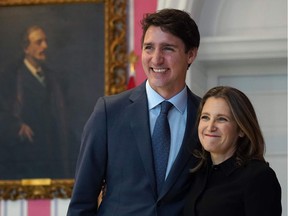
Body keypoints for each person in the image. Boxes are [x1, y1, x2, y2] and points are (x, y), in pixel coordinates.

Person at [67, 8, 201, 216]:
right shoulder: (108, 112)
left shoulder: (204, 116)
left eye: (167, 49)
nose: (156, 59)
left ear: (191, 54)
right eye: (149, 48)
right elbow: (81, 203)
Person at [183, 86, 282, 216]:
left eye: (222, 119)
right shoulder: (197, 172)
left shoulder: (259, 177)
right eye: (205, 117)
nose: (210, 127)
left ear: (241, 129)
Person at [0, 25, 68, 179]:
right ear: (26, 48)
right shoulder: (10, 76)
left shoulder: (52, 77)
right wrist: (16, 126)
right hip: (23, 154)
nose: (45, 46)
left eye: (45, 41)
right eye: (39, 42)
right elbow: (2, 113)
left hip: (50, 152)